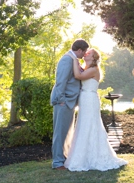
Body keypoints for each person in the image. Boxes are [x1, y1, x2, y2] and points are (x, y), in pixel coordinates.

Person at [64, 49, 127, 172]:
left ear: (93, 58)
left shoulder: (94, 69)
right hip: (84, 98)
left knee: (90, 125)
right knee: (83, 125)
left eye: (89, 53)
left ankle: (94, 156)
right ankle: (83, 155)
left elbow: (78, 76)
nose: (86, 53)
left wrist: (73, 59)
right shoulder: (86, 67)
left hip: (90, 99)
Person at [50, 39, 88, 169]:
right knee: (60, 133)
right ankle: (57, 162)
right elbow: (61, 81)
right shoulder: (67, 59)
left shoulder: (73, 59)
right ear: (79, 50)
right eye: (84, 52)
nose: (84, 54)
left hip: (69, 102)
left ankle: (63, 158)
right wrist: (61, 100)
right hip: (63, 102)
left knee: (66, 132)